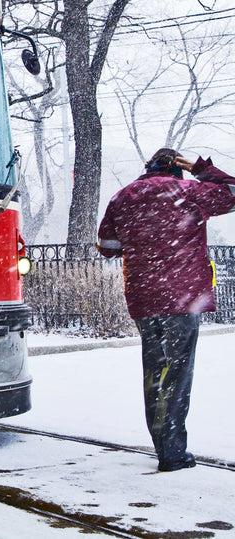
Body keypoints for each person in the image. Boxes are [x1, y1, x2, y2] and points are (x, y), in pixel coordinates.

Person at [97, 148, 235, 472]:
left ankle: (164, 447)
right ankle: (172, 452)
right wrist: (201, 168)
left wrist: (141, 241)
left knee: (154, 373)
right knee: (177, 374)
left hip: (144, 300)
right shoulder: (188, 191)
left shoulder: (123, 197)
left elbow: (107, 247)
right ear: (178, 169)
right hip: (182, 299)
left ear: (149, 167)